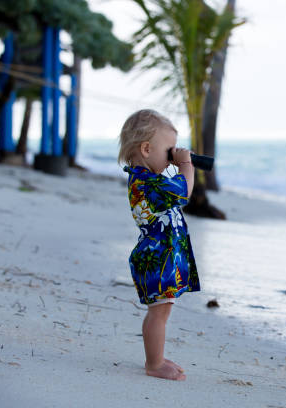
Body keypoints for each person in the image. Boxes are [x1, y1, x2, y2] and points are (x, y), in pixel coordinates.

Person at [118, 109, 201, 381]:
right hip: (157, 259)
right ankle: (153, 364)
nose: (171, 160)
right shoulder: (146, 183)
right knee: (159, 313)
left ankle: (157, 357)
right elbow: (183, 192)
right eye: (169, 153)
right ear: (146, 148)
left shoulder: (148, 180)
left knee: (162, 310)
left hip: (162, 256)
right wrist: (186, 165)